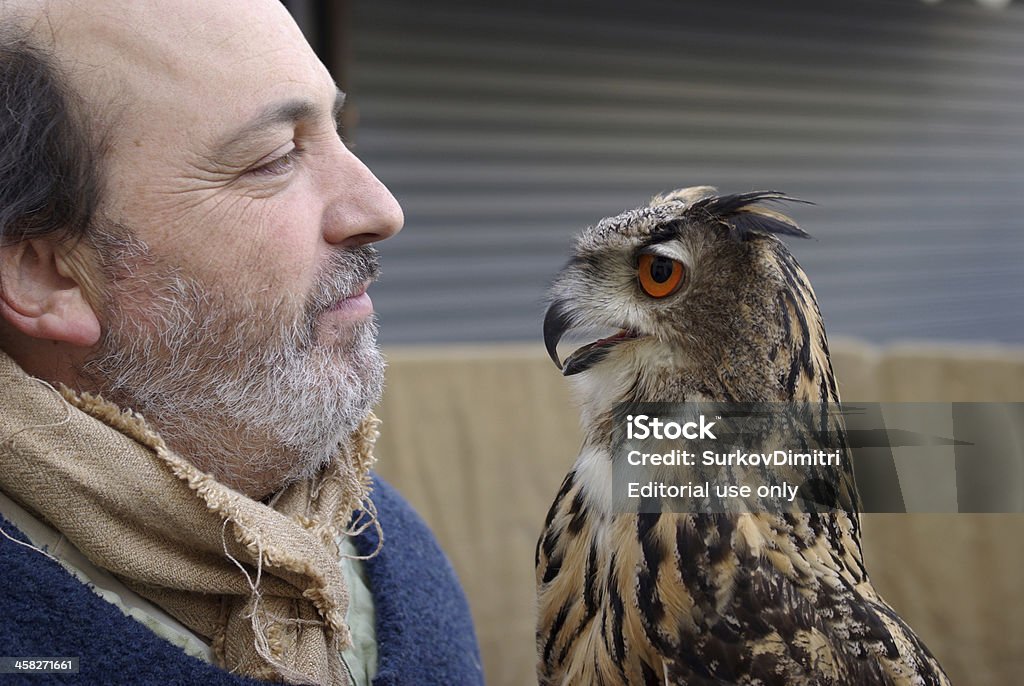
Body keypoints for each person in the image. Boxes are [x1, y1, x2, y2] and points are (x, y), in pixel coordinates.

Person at [0, 1, 484, 684]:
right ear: (47, 273)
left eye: (338, 131)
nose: (380, 208)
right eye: (275, 158)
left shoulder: (387, 545)